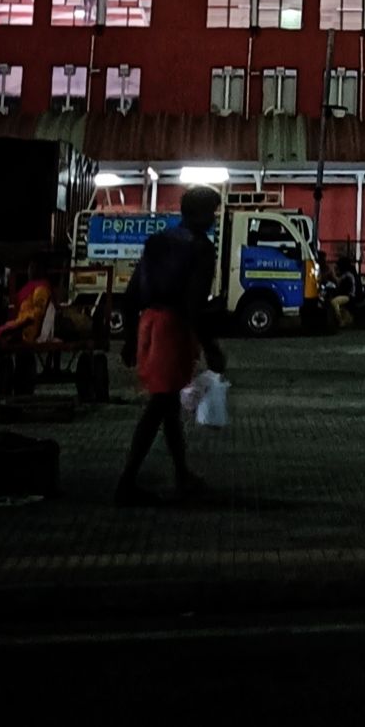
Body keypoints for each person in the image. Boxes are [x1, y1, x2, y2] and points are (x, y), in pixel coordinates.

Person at [116, 185, 227, 504]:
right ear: (202, 214)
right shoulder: (201, 248)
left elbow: (132, 293)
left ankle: (182, 473)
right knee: (160, 407)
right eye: (212, 213)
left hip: (149, 324)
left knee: (167, 408)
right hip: (173, 328)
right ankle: (127, 482)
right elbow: (193, 304)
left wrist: (129, 339)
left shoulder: (159, 241)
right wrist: (210, 346)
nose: (213, 220)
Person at [0, 256, 52, 347]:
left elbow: (36, 313)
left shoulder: (41, 289)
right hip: (20, 323)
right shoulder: (33, 286)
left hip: (26, 330)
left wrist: (18, 324)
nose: (29, 271)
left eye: (31, 268)